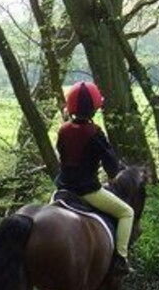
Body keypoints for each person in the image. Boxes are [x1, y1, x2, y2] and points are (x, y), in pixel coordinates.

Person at [54, 81, 134, 276]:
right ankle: (121, 259)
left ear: (71, 106)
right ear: (94, 109)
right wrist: (114, 171)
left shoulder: (63, 130)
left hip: (61, 191)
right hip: (88, 192)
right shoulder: (95, 132)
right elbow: (112, 168)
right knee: (127, 213)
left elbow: (62, 154)